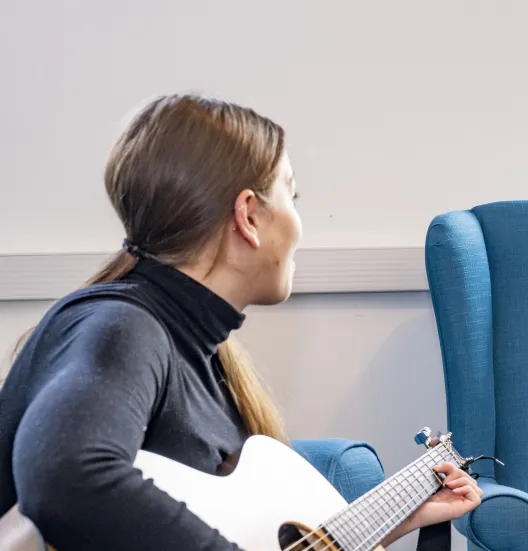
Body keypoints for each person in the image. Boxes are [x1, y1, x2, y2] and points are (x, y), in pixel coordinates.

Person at [0, 94, 481, 550]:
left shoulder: (197, 353)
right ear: (249, 215)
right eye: (293, 195)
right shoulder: (123, 326)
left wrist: (399, 517)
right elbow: (66, 478)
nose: (298, 222)